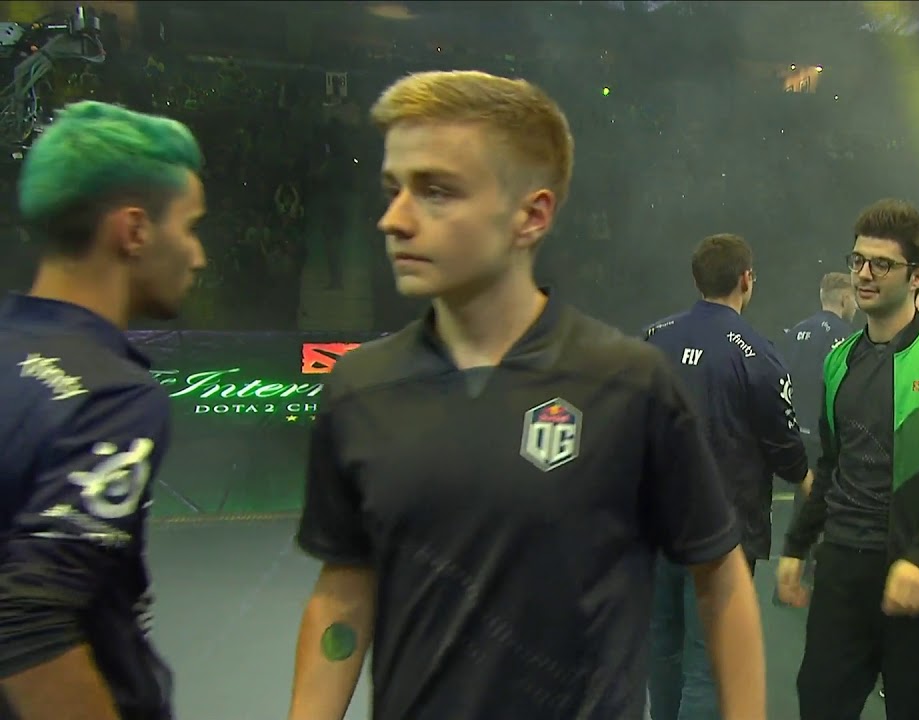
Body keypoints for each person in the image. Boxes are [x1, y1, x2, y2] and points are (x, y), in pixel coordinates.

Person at [287, 70, 765, 720]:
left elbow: (721, 577)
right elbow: (344, 593)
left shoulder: (628, 385)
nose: (393, 220)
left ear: (531, 216)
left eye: (435, 191)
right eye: (393, 190)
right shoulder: (359, 390)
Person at [0, 101, 207, 720]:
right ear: (135, 230)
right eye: (191, 227)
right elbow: (28, 619)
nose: (198, 256)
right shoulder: (111, 397)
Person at [776, 198, 919, 720]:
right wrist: (798, 544)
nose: (864, 274)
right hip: (842, 573)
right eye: (858, 261)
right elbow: (833, 466)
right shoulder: (839, 361)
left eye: (881, 264)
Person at [643, 233, 811, 720]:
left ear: (696, 279)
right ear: (746, 279)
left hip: (652, 527)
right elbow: (783, 446)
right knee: (709, 664)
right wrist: (810, 484)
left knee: (662, 652)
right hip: (721, 536)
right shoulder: (757, 353)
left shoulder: (651, 338)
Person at [781, 272, 857, 468]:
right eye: (854, 299)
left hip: (792, 432)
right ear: (845, 299)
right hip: (824, 439)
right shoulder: (846, 337)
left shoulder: (795, 332)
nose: (856, 307)